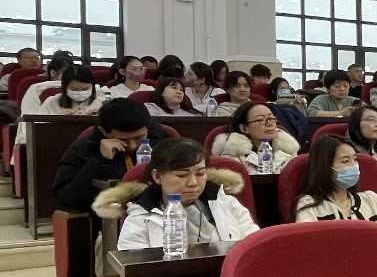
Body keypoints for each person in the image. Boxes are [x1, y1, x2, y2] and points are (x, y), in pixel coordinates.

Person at [94, 137, 258, 250]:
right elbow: (136, 273)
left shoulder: (226, 203)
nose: (193, 182)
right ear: (157, 177)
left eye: (200, 173)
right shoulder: (140, 218)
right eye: (181, 175)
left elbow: (253, 247)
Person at [52, 99, 164, 211]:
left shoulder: (163, 142)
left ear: (147, 127)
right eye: (123, 140)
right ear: (103, 131)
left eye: (139, 138)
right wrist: (101, 161)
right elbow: (67, 197)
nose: (132, 146)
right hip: (108, 215)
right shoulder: (84, 148)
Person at [293, 136, 377, 225]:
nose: (354, 166)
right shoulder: (308, 204)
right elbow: (308, 243)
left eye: (355, 159)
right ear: (324, 167)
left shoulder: (371, 199)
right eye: (345, 161)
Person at [211, 102, 300, 173]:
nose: (269, 123)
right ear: (244, 128)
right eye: (260, 120)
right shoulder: (233, 154)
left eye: (271, 118)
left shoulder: (288, 150)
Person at [12, 53, 74, 150]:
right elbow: (29, 117)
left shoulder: (90, 89)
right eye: (66, 72)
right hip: (46, 134)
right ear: (53, 73)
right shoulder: (37, 89)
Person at [38, 65, 105, 117]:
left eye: (85, 89)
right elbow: (38, 126)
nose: (80, 92)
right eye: (74, 89)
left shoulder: (102, 104)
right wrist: (58, 120)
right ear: (65, 88)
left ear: (93, 87)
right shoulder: (51, 102)